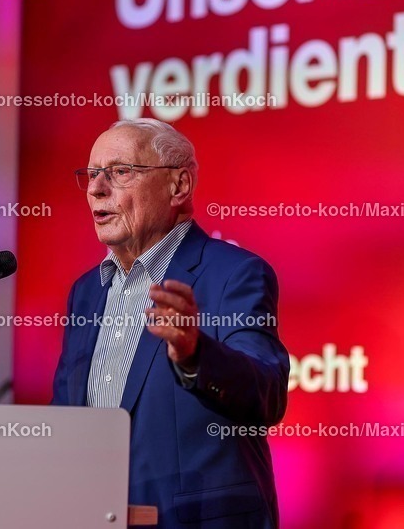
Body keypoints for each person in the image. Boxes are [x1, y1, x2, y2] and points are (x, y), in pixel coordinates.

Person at [51, 118, 288, 528]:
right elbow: (68, 416)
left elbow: (265, 394)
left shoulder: (235, 273)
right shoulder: (85, 291)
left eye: (120, 172)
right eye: (91, 174)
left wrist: (196, 353)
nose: (95, 188)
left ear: (179, 186)